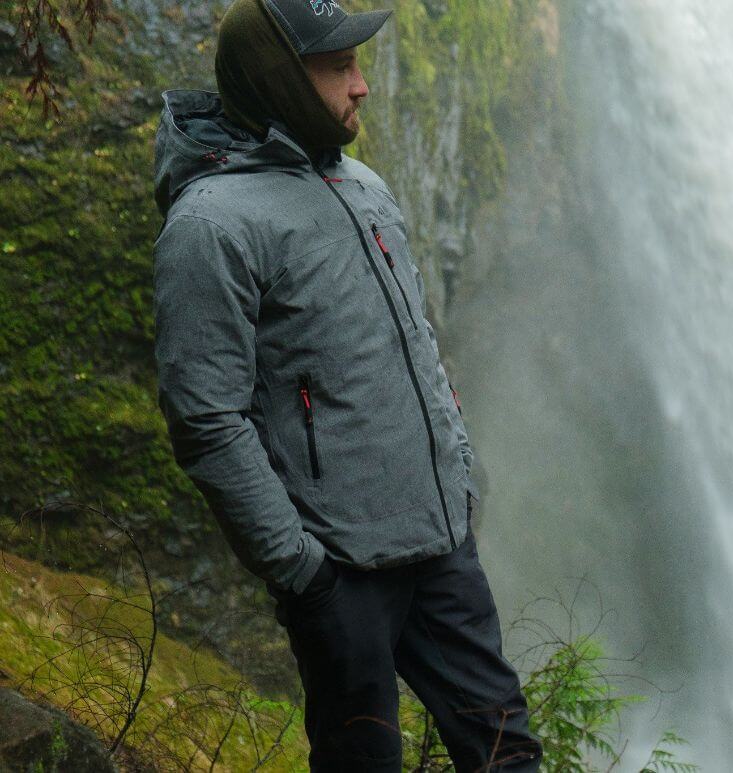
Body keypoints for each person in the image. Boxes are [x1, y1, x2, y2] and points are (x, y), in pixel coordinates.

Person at [150, 1, 542, 769]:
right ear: (279, 80)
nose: (362, 86)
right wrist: (304, 572)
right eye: (339, 68)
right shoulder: (211, 225)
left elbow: (419, 343)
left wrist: (460, 478)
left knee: (507, 754)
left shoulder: (364, 188)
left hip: (440, 545)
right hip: (341, 574)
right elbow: (206, 419)